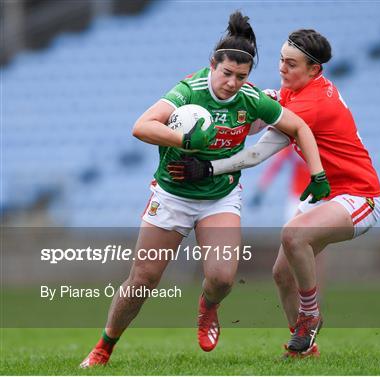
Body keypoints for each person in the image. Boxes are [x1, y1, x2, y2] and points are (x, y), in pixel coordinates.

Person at [80, 15, 330, 368]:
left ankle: (207, 307)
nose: (231, 83)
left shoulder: (250, 99)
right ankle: (104, 347)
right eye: (226, 73)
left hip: (219, 197)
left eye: (240, 77)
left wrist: (317, 173)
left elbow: (299, 125)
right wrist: (183, 137)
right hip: (172, 195)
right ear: (212, 65)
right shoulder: (188, 92)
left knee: (222, 278)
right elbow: (141, 126)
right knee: (143, 281)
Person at [169, 29, 380, 358]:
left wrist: (212, 167)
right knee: (282, 274)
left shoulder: (313, 103)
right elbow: (259, 109)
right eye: (281, 60)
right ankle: (302, 348)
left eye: (292, 64)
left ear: (314, 70)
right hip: (325, 195)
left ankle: (309, 316)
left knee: (294, 235)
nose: (282, 68)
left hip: (358, 196)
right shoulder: (294, 92)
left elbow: (258, 151)